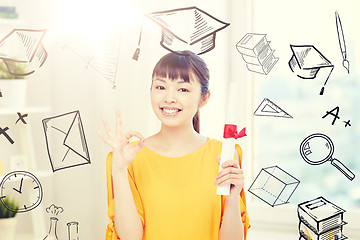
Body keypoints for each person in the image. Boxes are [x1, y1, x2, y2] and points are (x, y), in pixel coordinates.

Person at [99, 50, 250, 240]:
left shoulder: (225, 155)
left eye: (183, 89)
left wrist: (232, 199)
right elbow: (131, 238)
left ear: (204, 98)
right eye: (160, 87)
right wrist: (119, 170)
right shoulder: (128, 157)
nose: (169, 98)